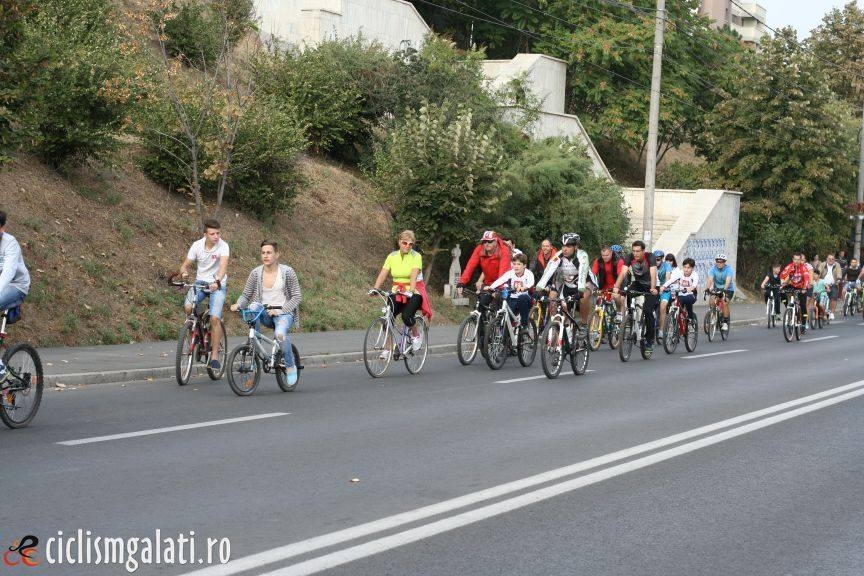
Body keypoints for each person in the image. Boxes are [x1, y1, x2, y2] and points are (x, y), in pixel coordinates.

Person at [230, 240, 302, 385]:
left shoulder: (288, 272)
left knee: (280, 335)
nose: (265, 256)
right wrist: (238, 304)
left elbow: (297, 296)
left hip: (284, 314)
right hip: (263, 313)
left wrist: (280, 310)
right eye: (263, 253)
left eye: (269, 252)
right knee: (253, 307)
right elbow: (246, 295)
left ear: (277, 254)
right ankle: (255, 347)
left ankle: (290, 366)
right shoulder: (256, 273)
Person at [179, 219, 229, 371]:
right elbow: (185, 265)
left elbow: (223, 266)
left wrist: (218, 280)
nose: (216, 236)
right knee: (188, 308)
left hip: (217, 284)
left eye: (218, 233)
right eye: (212, 234)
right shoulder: (197, 245)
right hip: (200, 282)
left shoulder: (223, 246)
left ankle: (213, 356)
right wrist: (184, 272)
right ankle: (197, 327)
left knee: (215, 318)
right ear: (205, 234)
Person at [370, 230, 432, 353]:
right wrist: (375, 289)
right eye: (404, 243)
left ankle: (416, 335)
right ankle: (388, 348)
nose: (407, 246)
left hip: (414, 291)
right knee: (388, 317)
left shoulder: (416, 256)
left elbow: (414, 275)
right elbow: (383, 274)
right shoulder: (392, 256)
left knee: (407, 316)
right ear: (399, 242)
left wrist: (411, 290)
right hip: (397, 291)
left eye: (411, 244)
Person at [536, 232, 591, 329]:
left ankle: (584, 324)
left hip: (584, 281)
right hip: (567, 282)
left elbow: (582, 272)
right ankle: (554, 325)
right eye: (563, 246)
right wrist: (539, 287)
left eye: (568, 246)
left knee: (584, 297)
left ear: (576, 247)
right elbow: (549, 271)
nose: (564, 249)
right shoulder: (558, 255)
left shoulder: (582, 255)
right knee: (552, 297)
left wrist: (581, 289)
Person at [0, 210, 30, 383]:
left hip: (16, 286)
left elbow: (8, 273)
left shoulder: (10, 244)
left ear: (2, 228)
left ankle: (0, 368)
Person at [612, 240, 659, 352]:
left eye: (638, 251)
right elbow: (623, 273)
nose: (635, 253)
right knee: (626, 293)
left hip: (652, 286)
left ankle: (649, 340)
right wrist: (616, 286)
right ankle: (630, 318)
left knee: (648, 311)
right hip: (638, 284)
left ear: (643, 251)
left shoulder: (650, 257)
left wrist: (652, 288)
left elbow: (653, 273)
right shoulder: (629, 257)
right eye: (633, 251)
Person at [457, 230, 512, 315]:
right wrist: (462, 282)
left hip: (503, 282)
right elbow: (470, 266)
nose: (486, 244)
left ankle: (501, 325)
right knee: (481, 304)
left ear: (495, 241)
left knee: (499, 308)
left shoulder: (503, 250)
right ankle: (481, 325)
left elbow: (503, 272)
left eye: (489, 241)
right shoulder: (479, 249)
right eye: (484, 241)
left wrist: (498, 289)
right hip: (488, 282)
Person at [486, 253, 535, 329]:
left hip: (525, 300)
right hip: (512, 299)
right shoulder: (511, 273)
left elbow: (531, 282)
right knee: (507, 321)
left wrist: (525, 287)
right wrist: (491, 287)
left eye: (519, 264)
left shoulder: (528, 273)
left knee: (523, 297)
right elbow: (501, 280)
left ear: (524, 265)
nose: (516, 266)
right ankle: (505, 333)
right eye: (514, 264)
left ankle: (524, 326)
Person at [590, 245, 624, 319]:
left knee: (616, 296)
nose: (605, 257)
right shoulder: (598, 261)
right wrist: (592, 286)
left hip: (617, 284)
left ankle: (619, 313)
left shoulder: (618, 261)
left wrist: (617, 287)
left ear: (611, 253)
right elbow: (592, 275)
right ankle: (600, 320)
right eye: (603, 255)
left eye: (607, 255)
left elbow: (620, 275)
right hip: (604, 285)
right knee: (599, 299)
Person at [780, 251, 811, 331]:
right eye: (795, 259)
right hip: (792, 285)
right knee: (781, 291)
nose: (796, 261)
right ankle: (788, 307)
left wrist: (804, 288)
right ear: (792, 259)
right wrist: (782, 283)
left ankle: (803, 324)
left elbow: (807, 278)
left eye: (798, 259)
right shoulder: (790, 266)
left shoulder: (803, 268)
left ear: (800, 260)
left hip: (802, 287)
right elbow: (782, 274)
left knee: (803, 305)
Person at [704, 253, 735, 332]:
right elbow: (710, 279)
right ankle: (714, 316)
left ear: (725, 262)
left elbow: (728, 280)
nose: (719, 263)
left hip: (728, 289)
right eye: (718, 261)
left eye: (721, 262)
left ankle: (725, 323)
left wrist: (724, 290)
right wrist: (707, 288)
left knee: (724, 303)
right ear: (716, 262)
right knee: (712, 301)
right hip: (717, 288)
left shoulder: (729, 269)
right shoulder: (712, 269)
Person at [662, 257, 699, 322]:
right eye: (684, 267)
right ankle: (672, 318)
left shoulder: (694, 275)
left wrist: (690, 288)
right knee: (672, 300)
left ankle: (691, 317)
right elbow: (671, 280)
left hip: (691, 294)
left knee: (688, 300)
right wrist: (664, 286)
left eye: (688, 267)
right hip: (681, 294)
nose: (686, 269)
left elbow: (694, 284)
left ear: (692, 268)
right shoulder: (680, 273)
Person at [653, 250, 673, 339]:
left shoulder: (667, 265)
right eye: (655, 259)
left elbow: (668, 278)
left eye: (658, 259)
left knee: (663, 307)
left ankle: (661, 330)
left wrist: (663, 287)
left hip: (665, 290)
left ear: (662, 259)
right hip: (654, 289)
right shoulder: (652, 266)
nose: (657, 261)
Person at [817, 253, 841, 320]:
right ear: (827, 259)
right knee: (819, 298)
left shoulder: (837, 265)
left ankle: (832, 313)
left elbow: (839, 274)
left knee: (833, 298)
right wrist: (817, 281)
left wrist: (838, 280)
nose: (831, 260)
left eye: (832, 259)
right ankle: (822, 312)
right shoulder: (823, 264)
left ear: (834, 260)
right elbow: (818, 273)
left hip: (833, 284)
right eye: (829, 259)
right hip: (823, 284)